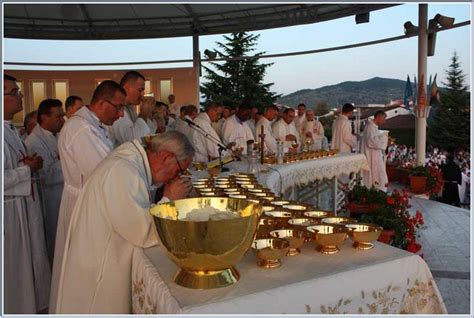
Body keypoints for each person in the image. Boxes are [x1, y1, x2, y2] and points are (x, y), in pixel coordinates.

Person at [54, 132, 194, 313]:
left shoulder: (131, 161)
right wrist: (169, 198)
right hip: (100, 269)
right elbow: (143, 232)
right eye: (180, 170)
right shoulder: (123, 172)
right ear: (167, 157)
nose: (178, 176)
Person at [51, 80, 126, 313]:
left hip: (90, 201)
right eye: (119, 107)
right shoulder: (81, 129)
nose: (122, 114)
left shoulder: (94, 126)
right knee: (83, 271)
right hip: (84, 204)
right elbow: (105, 172)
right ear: (102, 103)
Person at [4, 74, 51, 313]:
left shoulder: (9, 130)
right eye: (14, 93)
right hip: (8, 216)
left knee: (27, 268)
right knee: (13, 274)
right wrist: (26, 169)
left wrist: (30, 164)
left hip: (22, 208)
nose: (20, 97)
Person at [25, 98, 65, 263]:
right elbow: (45, 176)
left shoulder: (57, 136)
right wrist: (66, 160)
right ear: (44, 118)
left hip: (60, 195)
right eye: (58, 117)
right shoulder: (33, 141)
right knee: (53, 242)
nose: (62, 120)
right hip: (49, 200)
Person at [109, 71, 150, 146]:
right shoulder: (116, 108)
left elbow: (145, 133)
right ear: (127, 87)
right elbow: (132, 139)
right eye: (140, 90)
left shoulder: (130, 107)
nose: (143, 94)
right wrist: (144, 113)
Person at [361, 110, 389, 192]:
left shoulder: (373, 127)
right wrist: (384, 138)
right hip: (371, 156)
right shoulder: (370, 127)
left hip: (375, 155)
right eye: (383, 119)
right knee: (379, 176)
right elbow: (371, 142)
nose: (384, 121)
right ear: (378, 117)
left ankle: (378, 192)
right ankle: (378, 193)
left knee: (380, 176)